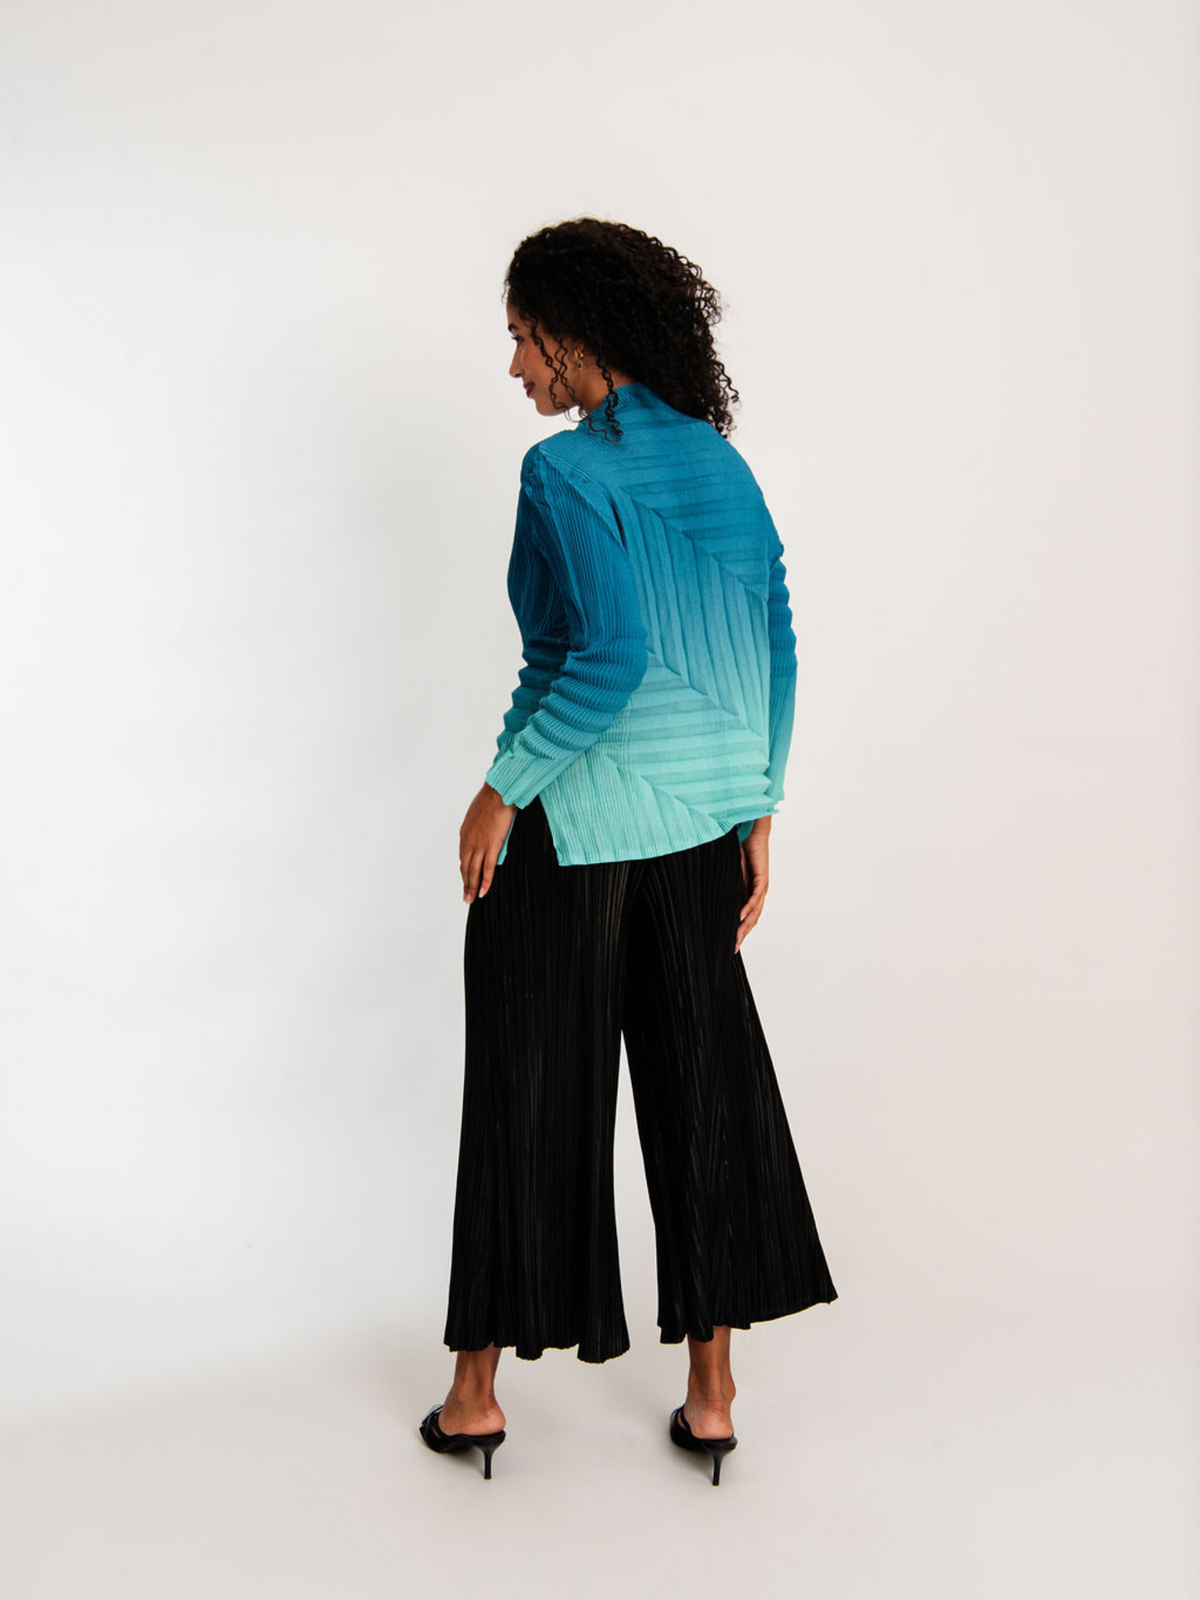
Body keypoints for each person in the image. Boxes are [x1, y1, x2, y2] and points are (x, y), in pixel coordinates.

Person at [419, 218, 837, 1486]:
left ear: (572, 333)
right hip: (704, 830)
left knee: (526, 1090)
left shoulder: (562, 473)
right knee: (705, 1091)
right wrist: (759, 805)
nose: (514, 369)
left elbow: (596, 660)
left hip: (580, 832)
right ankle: (712, 1396)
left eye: (521, 340)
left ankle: (475, 1397)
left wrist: (501, 790)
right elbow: (773, 636)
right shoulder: (719, 459)